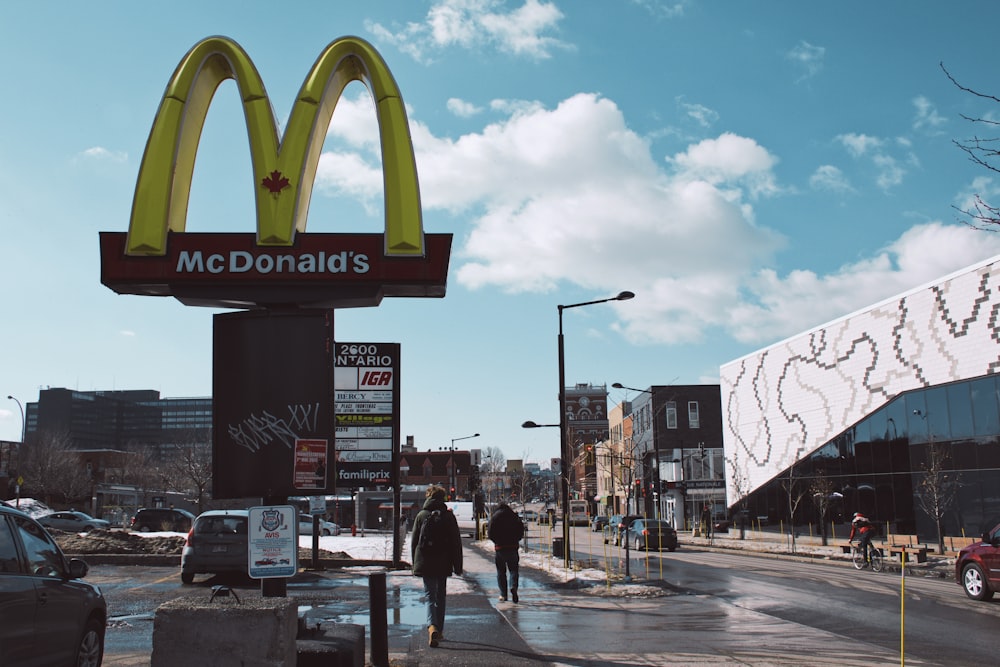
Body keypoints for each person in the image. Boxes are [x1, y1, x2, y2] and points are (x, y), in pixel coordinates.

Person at [411, 484, 463, 648]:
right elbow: (456, 542)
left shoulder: (421, 515)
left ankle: (431, 625)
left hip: (426, 562)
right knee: (441, 597)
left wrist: (416, 563)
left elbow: (414, 542)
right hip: (443, 561)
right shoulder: (448, 517)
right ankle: (439, 630)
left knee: (429, 596)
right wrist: (458, 565)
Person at [487, 502, 525, 603]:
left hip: (500, 547)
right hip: (513, 547)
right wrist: (516, 539)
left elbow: (490, 532)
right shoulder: (513, 516)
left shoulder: (495, 517)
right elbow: (521, 530)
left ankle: (503, 594)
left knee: (501, 572)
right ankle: (513, 586)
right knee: (513, 570)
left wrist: (497, 541)